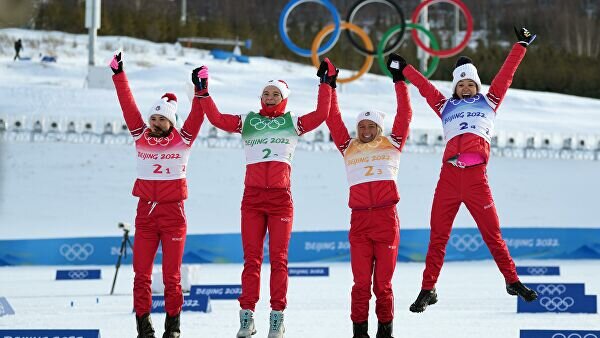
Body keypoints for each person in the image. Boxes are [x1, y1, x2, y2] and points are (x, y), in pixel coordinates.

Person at [392, 27, 539, 313]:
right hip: (448, 178)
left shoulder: (490, 101)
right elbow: (424, 88)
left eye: (471, 84)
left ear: (477, 85)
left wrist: (521, 44)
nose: (466, 88)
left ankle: (512, 280)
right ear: (455, 87)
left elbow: (506, 75)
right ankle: (428, 288)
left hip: (475, 179)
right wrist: (406, 68)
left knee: (492, 234)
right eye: (461, 85)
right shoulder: (445, 106)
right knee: (438, 236)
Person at [193, 59, 336, 338]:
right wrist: (203, 92)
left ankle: (277, 317)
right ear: (260, 97)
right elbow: (217, 119)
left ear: (284, 99)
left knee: (280, 260)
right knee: (252, 261)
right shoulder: (249, 121)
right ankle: (246, 318)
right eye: (266, 94)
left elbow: (321, 114)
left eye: (275, 94)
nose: (270, 98)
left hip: (281, 199)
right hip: (253, 199)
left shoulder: (292, 122)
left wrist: (326, 84)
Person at [109, 51, 205, 338]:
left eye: (161, 119)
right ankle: (143, 326)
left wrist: (201, 90)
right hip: (146, 214)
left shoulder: (183, 139)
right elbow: (128, 105)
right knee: (141, 275)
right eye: (153, 118)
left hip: (174, 215)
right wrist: (119, 75)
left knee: (172, 277)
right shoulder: (140, 135)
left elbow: (199, 114)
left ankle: (172, 327)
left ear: (171, 122)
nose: (155, 122)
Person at [325, 56, 412, 338]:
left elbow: (405, 114)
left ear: (379, 128)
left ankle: (385, 331)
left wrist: (400, 81)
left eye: (370, 126)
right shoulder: (348, 147)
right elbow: (332, 117)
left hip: (387, 220)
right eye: (361, 127)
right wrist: (329, 85)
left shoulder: (393, 144)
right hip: (360, 221)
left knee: (383, 286)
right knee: (360, 284)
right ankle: (359, 332)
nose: (365, 131)